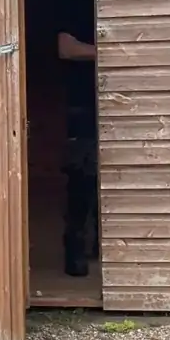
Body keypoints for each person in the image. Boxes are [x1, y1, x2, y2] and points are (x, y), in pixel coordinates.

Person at [57, 26, 99, 277]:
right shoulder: (73, 7)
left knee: (102, 188)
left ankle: (99, 249)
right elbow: (66, 48)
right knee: (80, 187)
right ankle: (75, 256)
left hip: (109, 113)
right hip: (81, 116)